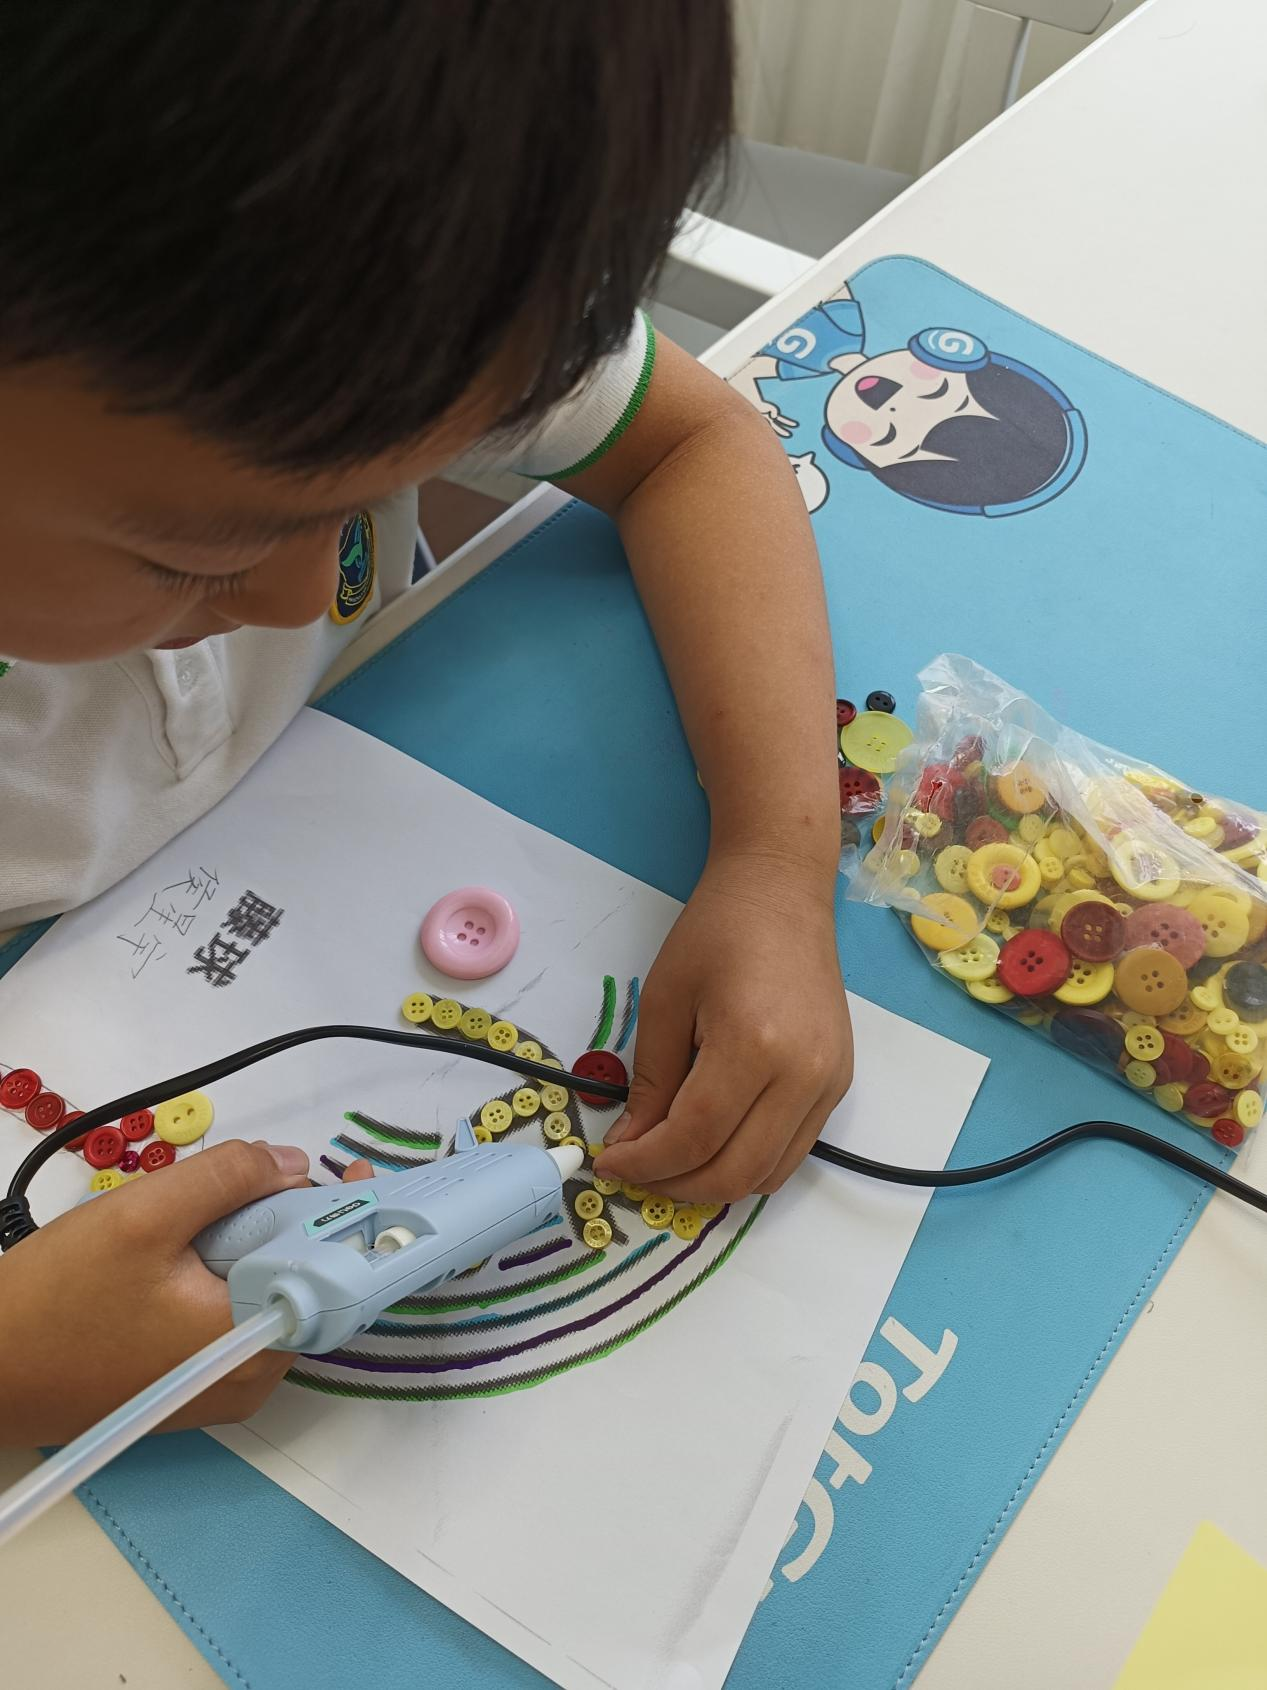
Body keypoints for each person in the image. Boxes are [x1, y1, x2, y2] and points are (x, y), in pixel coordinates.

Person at [0, 2, 851, 1440]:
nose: (299, 593)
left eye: (369, 494)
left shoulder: (372, 286)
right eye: (190, 553)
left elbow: (691, 441)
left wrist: (775, 854)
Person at [732, 279, 1086, 514]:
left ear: (849, 451)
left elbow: (748, 372)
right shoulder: (854, 319)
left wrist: (753, 404)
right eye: (938, 390)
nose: (890, 403)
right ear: (954, 354)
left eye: (886, 436)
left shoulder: (798, 375)